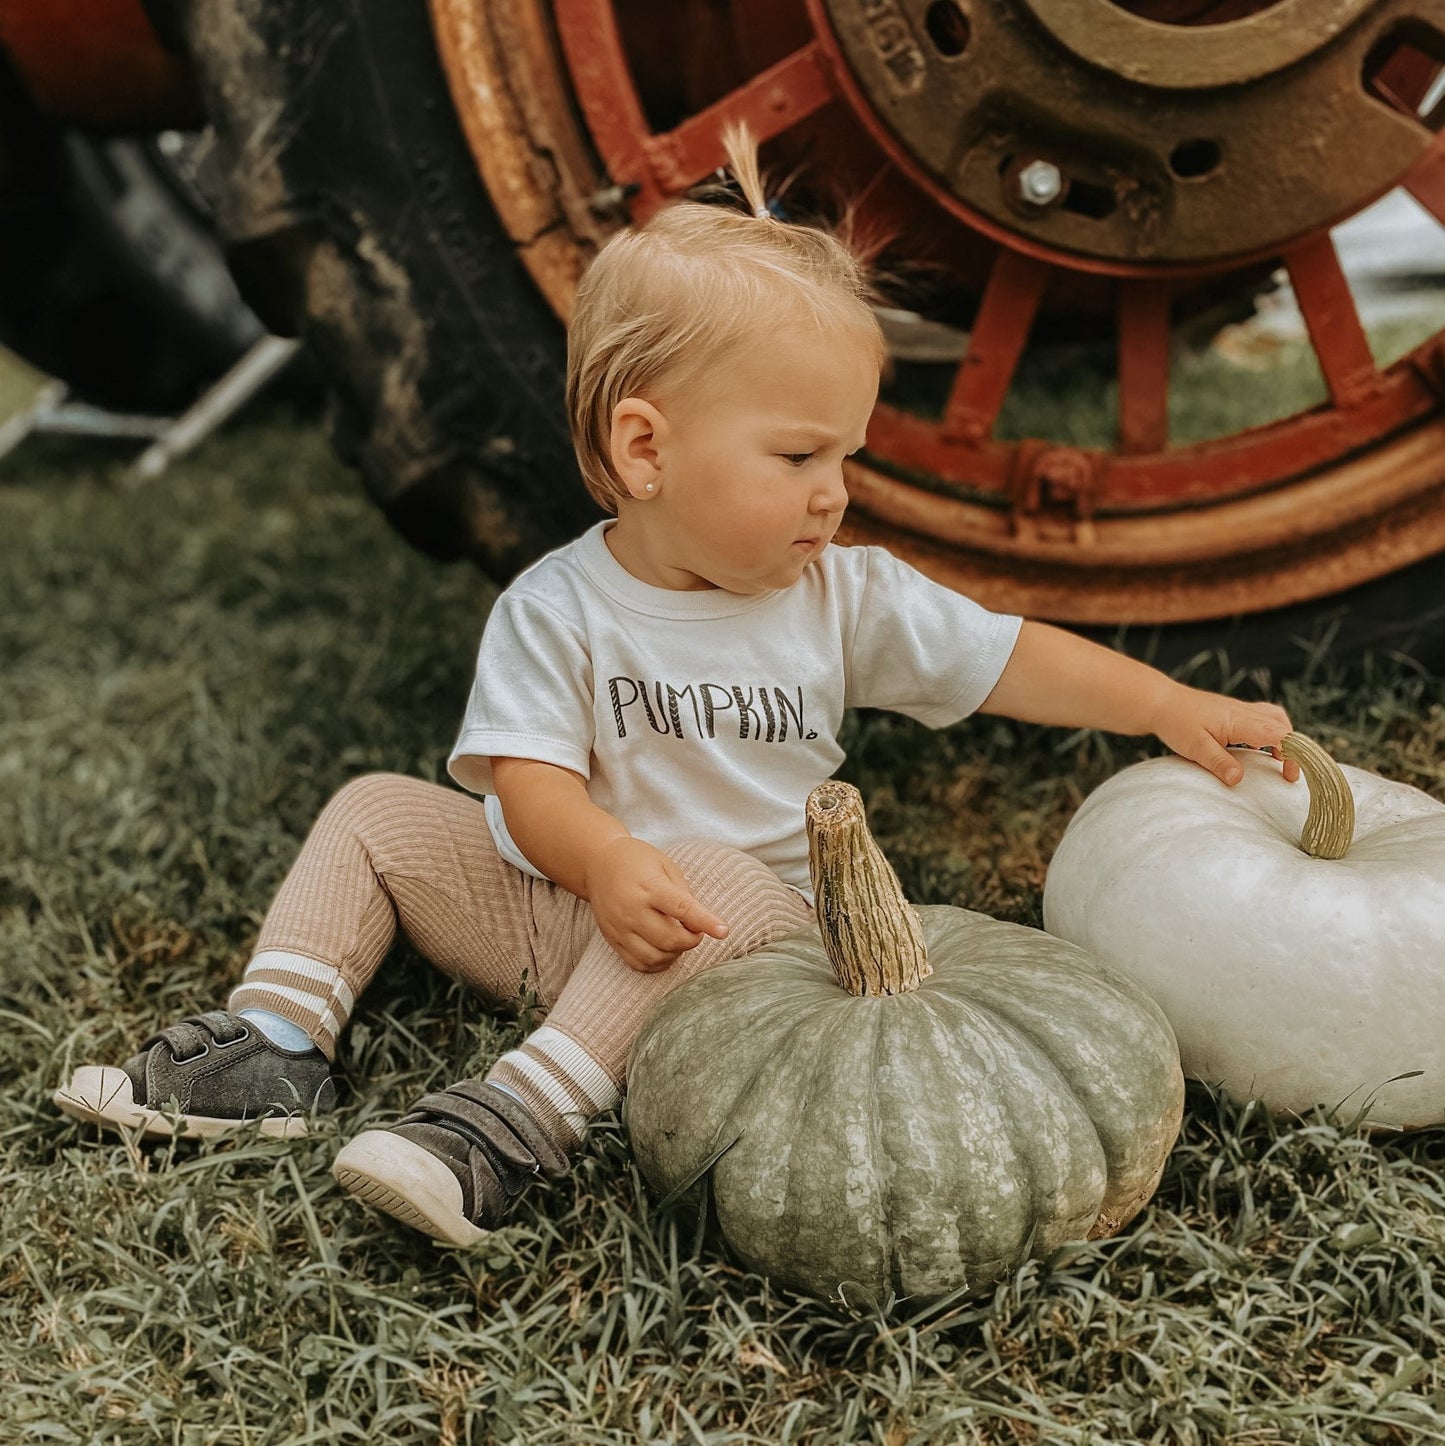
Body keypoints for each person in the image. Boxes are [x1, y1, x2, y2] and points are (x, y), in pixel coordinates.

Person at [52, 132, 1295, 1248]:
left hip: (749, 943)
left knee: (710, 868)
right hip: (566, 904)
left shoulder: (840, 596)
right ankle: (276, 1044)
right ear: (647, 449)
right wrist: (596, 864)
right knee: (375, 810)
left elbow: (1006, 653)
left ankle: (513, 1120)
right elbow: (529, 785)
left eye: (846, 456)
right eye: (799, 456)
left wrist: (1159, 706)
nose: (834, 493)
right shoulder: (556, 605)